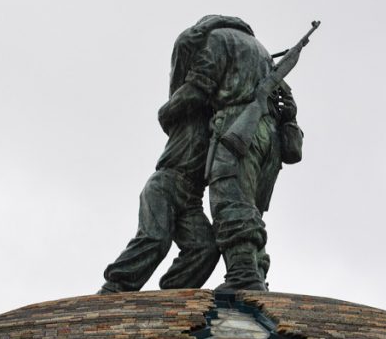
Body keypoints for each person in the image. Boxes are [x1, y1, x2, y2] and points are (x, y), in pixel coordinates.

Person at [97, 16, 252, 293]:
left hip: (191, 199)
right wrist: (212, 26)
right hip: (166, 186)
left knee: (205, 248)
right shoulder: (185, 111)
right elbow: (183, 48)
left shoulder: (221, 124)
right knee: (155, 239)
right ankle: (115, 286)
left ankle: (172, 294)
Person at [158, 18, 303, 291]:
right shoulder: (262, 54)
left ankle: (243, 275)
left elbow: (198, 89)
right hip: (268, 140)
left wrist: (167, 111)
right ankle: (255, 270)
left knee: (230, 200)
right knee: (251, 209)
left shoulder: (218, 40)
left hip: (238, 129)